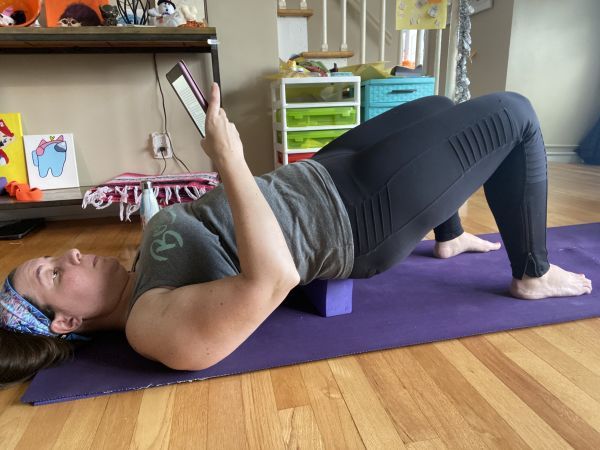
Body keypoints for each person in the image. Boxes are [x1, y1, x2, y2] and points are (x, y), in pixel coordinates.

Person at [0, 84, 592, 385]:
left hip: (324, 175)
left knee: (436, 101)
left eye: (55, 257)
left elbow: (195, 234)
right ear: (65, 323)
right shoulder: (153, 329)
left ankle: (450, 232)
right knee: (516, 115)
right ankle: (532, 273)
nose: (71, 252)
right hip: (354, 220)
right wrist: (228, 159)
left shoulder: (140, 275)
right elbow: (275, 278)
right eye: (54, 273)